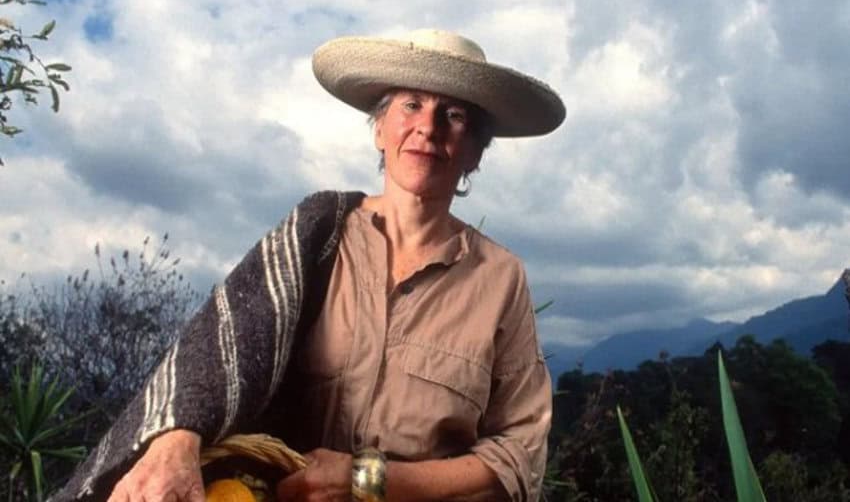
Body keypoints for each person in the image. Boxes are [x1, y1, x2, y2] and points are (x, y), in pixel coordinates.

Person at [54, 29, 565, 502]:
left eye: (453, 115)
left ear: (474, 152)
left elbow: (519, 452)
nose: (426, 127)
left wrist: (372, 480)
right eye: (411, 104)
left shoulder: (500, 278)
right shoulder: (316, 235)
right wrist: (175, 440)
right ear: (380, 129)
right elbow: (216, 355)